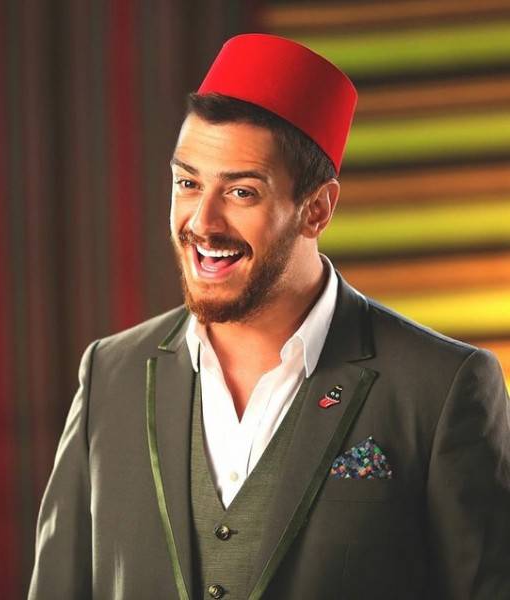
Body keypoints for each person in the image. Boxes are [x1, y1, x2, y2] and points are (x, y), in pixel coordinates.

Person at [28, 34, 510, 600]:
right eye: (188, 183)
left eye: (241, 192)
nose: (202, 222)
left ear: (317, 209)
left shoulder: (441, 387)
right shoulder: (110, 375)